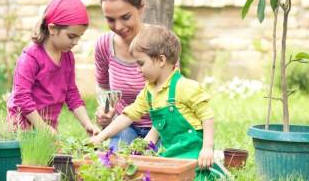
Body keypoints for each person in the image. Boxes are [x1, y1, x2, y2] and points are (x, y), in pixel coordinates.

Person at [91, 25, 224, 180]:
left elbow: (207, 116)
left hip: (194, 154)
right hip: (170, 154)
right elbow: (127, 116)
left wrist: (207, 149)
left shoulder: (185, 86)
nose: (137, 70)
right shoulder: (149, 92)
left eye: (141, 64)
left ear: (161, 60)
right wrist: (101, 137)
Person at [7, 0, 100, 136]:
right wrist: (42, 127)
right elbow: (21, 97)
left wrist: (88, 124)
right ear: (52, 29)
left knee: (60, 158)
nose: (75, 42)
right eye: (71, 36)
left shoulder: (67, 57)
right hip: (22, 129)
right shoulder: (31, 57)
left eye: (79, 37)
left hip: (48, 129)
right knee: (30, 159)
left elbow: (72, 94)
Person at [94, 0, 152, 150]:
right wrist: (105, 112)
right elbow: (103, 88)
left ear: (141, 7)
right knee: (118, 163)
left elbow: (173, 97)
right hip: (124, 125)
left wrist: (149, 143)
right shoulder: (104, 45)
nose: (118, 27)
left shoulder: (160, 42)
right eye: (110, 19)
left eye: (125, 17)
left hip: (160, 126)